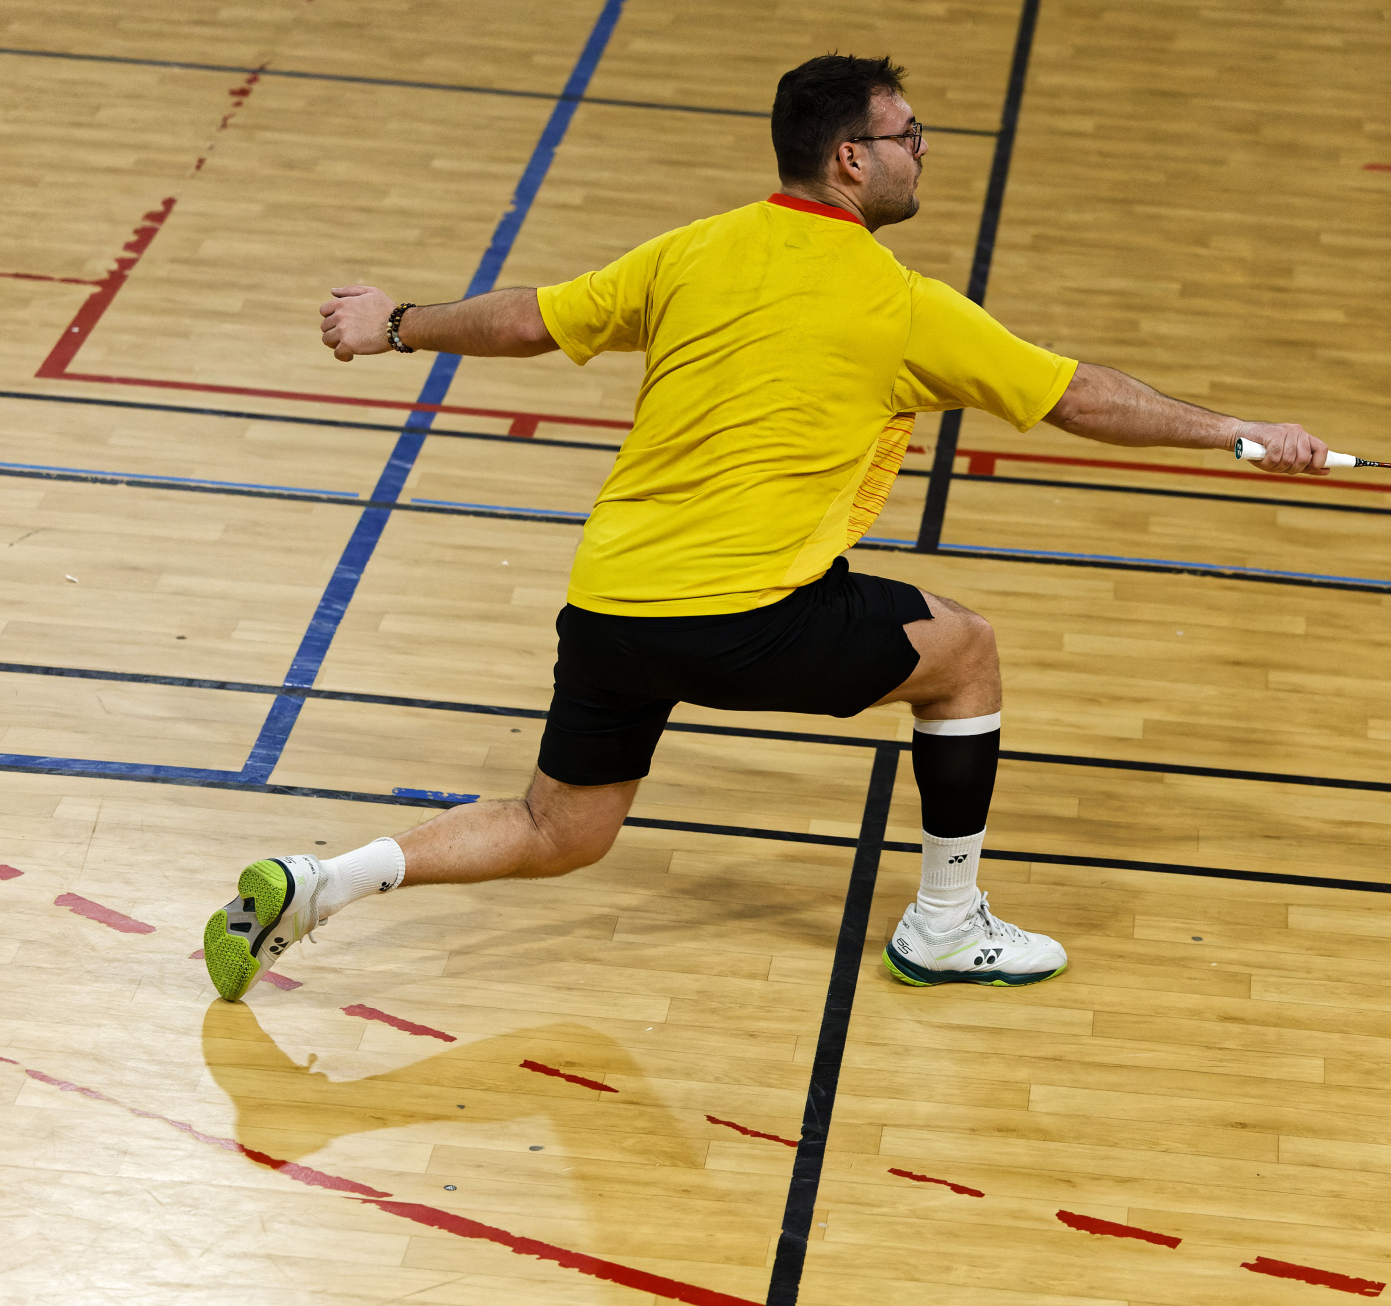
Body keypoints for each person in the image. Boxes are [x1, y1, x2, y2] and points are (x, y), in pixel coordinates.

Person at [202, 53, 1330, 1002]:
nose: (921, 150)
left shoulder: (692, 250)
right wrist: (1239, 433)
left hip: (610, 605)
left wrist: (397, 323)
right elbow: (1078, 397)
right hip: (744, 615)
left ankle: (320, 882)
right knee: (964, 652)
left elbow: (529, 320)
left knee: (560, 830)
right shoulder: (899, 302)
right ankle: (946, 923)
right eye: (907, 134)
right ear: (851, 158)